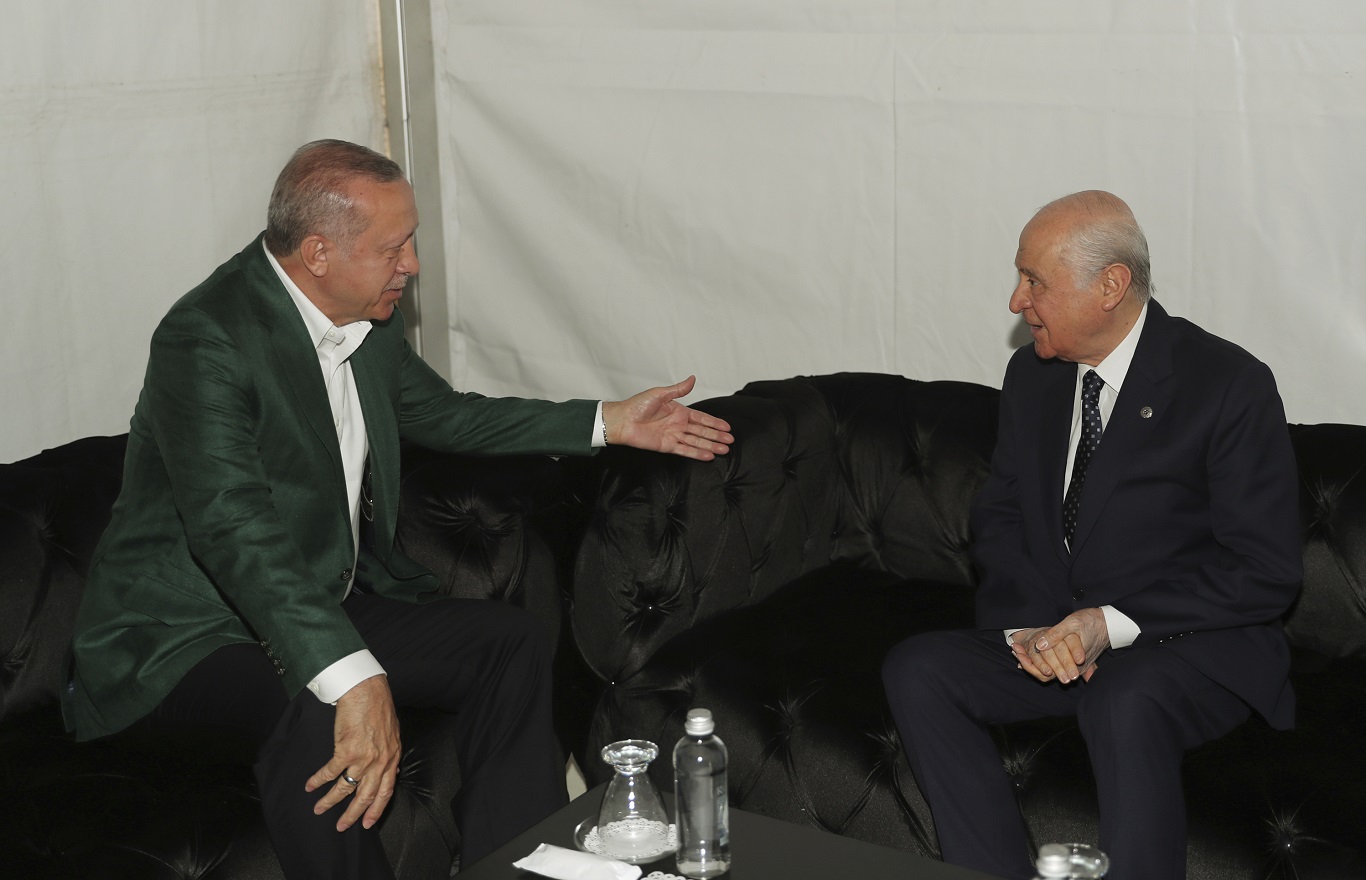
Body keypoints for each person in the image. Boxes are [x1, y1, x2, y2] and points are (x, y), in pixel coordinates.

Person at [62, 139, 734, 879]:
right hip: (179, 640)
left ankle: (516, 868)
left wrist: (608, 420)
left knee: (506, 643)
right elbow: (232, 528)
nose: (412, 264)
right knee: (323, 702)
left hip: (306, 600)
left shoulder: (363, 316)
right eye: (394, 247)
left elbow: (447, 415)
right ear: (318, 252)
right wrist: (353, 674)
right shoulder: (207, 340)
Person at [881, 191, 1301, 880]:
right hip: (1061, 639)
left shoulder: (1227, 385)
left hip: (1188, 645)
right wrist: (1024, 632)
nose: (1017, 301)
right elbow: (1003, 515)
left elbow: (1264, 569)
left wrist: (1107, 624)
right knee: (918, 669)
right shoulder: (1034, 375)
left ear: (1111, 286)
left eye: (1035, 281)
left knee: (1122, 698)